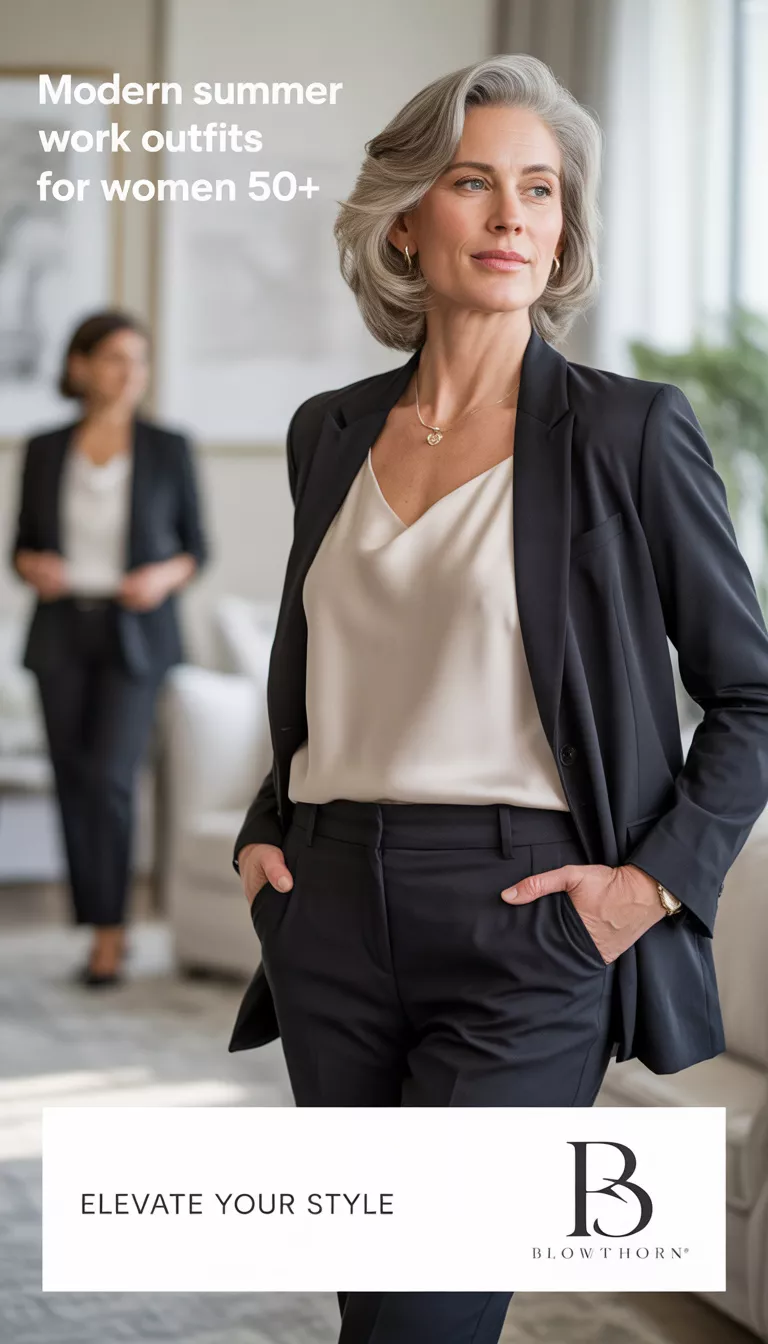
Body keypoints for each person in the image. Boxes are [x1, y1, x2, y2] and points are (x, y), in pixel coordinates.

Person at [229, 54, 768, 1343]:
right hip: (330, 910)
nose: (514, 215)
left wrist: (643, 890)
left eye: (541, 188)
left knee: (427, 1317)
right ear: (407, 218)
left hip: (529, 924)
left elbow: (752, 694)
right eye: (475, 183)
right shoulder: (330, 433)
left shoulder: (630, 431)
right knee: (379, 1307)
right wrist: (266, 832)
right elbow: (329, 671)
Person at [11, 309, 208, 986]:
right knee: (73, 780)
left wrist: (161, 575)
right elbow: (22, 546)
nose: (131, 374)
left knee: (111, 778)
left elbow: (195, 549)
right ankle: (96, 923)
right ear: (81, 367)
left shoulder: (167, 447)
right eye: (116, 359)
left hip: (137, 634)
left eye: (140, 361)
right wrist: (33, 565)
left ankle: (114, 929)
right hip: (61, 629)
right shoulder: (43, 448)